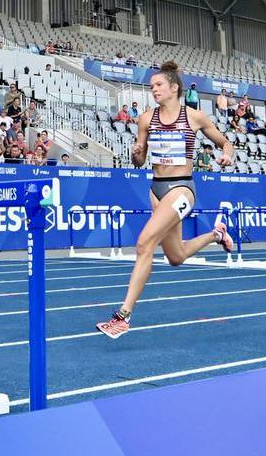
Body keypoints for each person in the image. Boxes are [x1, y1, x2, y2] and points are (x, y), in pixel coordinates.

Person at [97, 62, 235, 340]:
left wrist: (228, 155)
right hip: (156, 189)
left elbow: (225, 143)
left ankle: (123, 316)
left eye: (158, 85)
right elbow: (139, 161)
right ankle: (216, 235)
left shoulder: (195, 117)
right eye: (151, 87)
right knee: (176, 256)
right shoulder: (146, 119)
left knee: (144, 242)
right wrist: (137, 152)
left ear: (174, 88)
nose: (154, 90)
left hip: (182, 188)